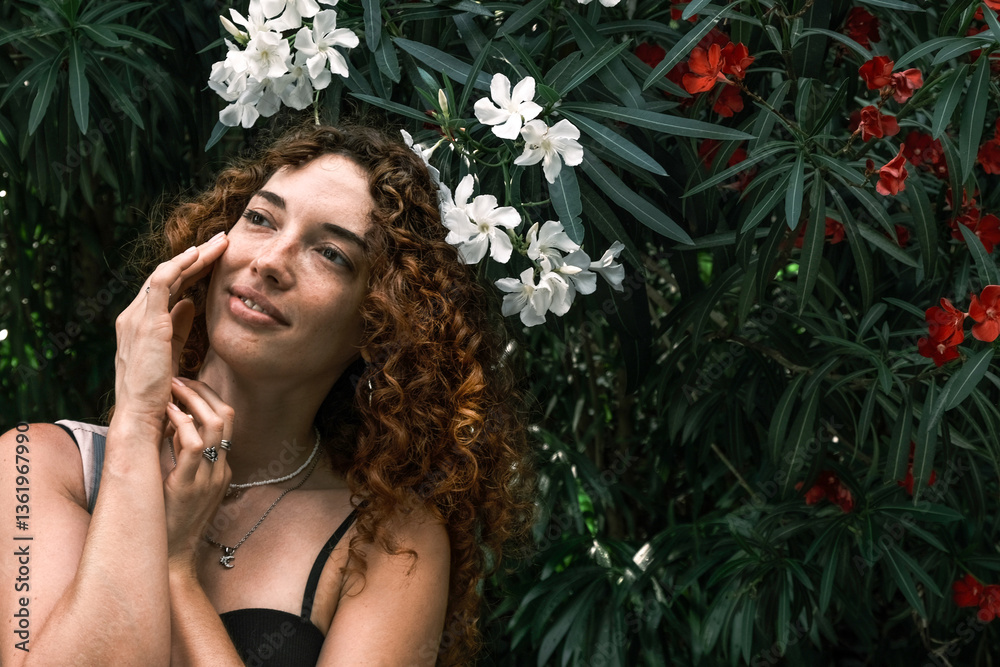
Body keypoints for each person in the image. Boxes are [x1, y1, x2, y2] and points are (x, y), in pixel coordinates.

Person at [0, 123, 537, 666]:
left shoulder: (392, 541)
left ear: (381, 322)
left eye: (331, 253)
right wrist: (136, 429)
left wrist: (175, 566)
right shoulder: (33, 463)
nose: (271, 262)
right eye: (260, 218)